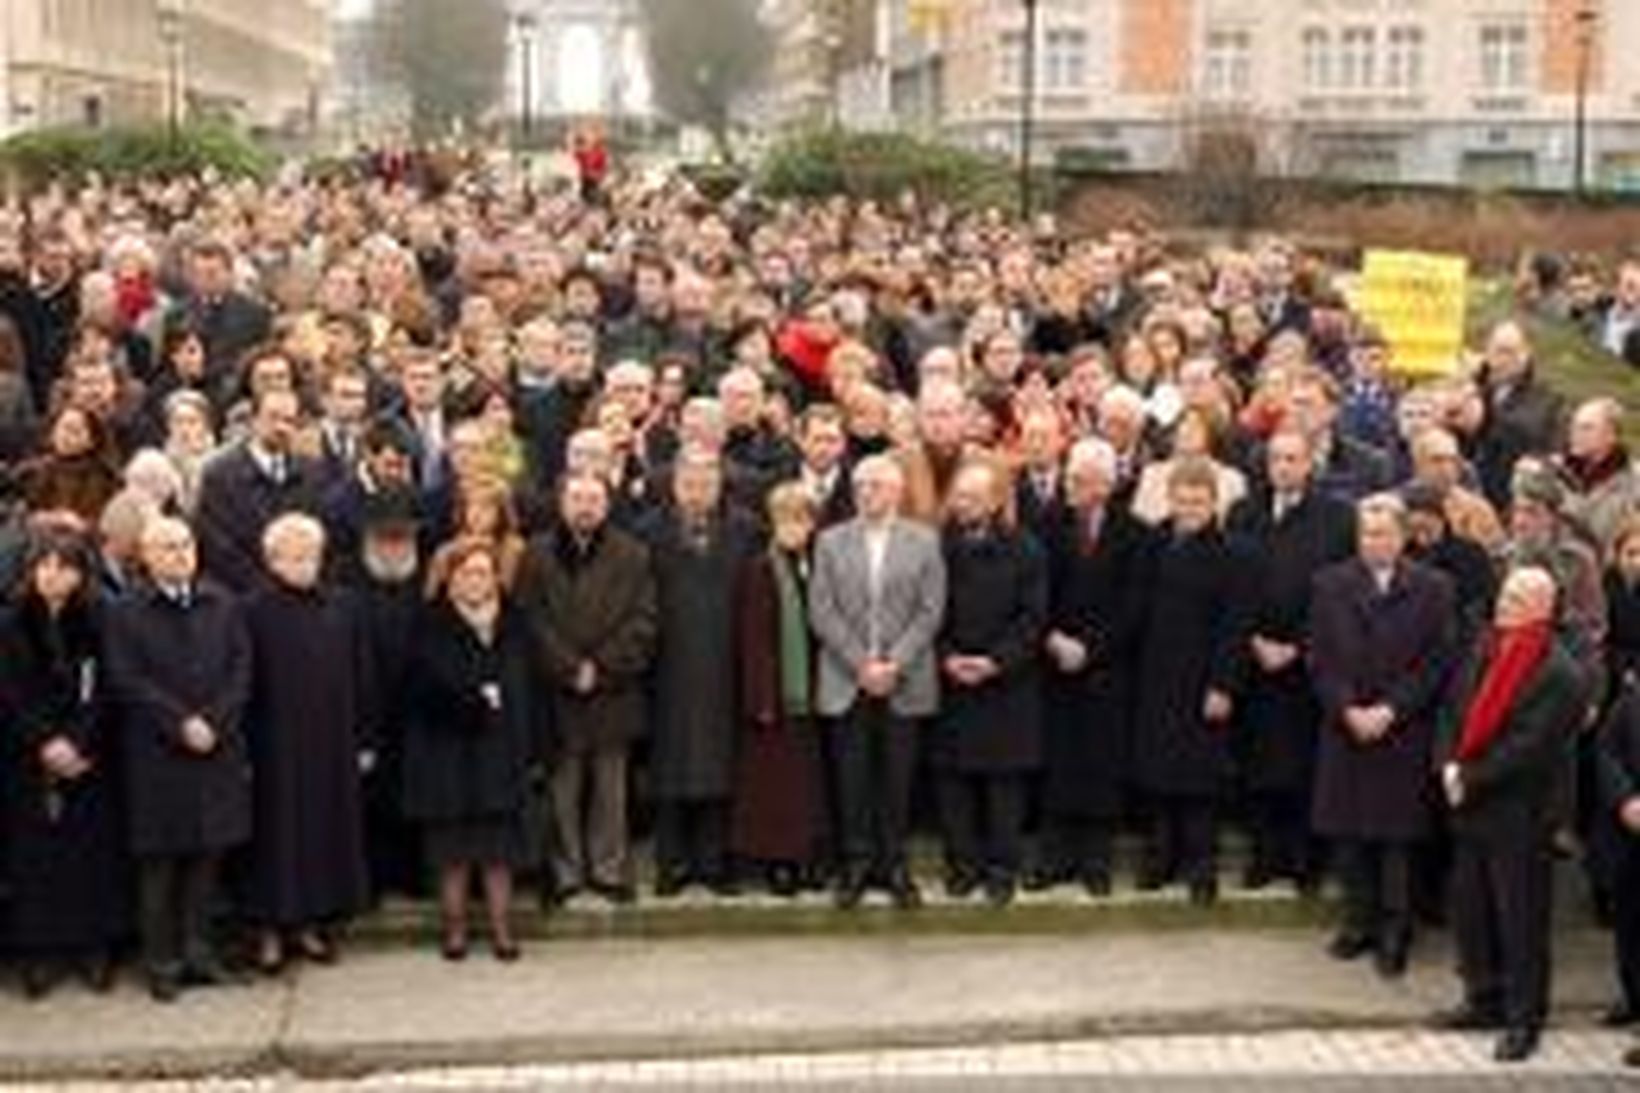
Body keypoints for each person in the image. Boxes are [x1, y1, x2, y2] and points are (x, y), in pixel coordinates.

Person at [1433, 567, 1584, 1063]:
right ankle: (1483, 998)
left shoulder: (1559, 671)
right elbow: (1453, 710)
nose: (1505, 604)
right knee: (1471, 910)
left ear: (1544, 607)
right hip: (1473, 803)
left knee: (1521, 919)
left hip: (1522, 811)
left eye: (1518, 599)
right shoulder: (1486, 645)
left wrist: (1467, 777)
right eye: (1505, 593)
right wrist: (1448, 764)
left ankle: (1524, 1019)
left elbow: (1530, 747)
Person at [104, 517, 253, 1002]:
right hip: (158, 755)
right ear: (146, 556)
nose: (180, 553)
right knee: (161, 866)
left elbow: (241, 668)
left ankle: (200, 954)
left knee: (208, 859)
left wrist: (214, 720)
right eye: (167, 547)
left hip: (216, 749)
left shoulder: (222, 602)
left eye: (186, 544)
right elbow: (127, 680)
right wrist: (181, 722)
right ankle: (161, 962)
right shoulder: (126, 610)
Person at [1310, 493, 1457, 979]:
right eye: (1366, 533)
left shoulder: (1434, 587)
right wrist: (1348, 708)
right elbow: (1320, 658)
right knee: (1352, 837)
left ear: (1402, 535)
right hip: (1347, 727)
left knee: (1397, 842)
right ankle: (1358, 925)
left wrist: (1392, 709)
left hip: (1402, 731)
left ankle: (1396, 931)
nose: (1373, 542)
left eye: (1382, 533)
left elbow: (1438, 662)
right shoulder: (1330, 584)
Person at [809, 454, 946, 909]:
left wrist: (893, 664)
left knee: (897, 779)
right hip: (847, 681)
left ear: (898, 490)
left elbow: (931, 611)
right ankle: (856, 865)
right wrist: (861, 665)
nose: (869, 492)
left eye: (879, 485)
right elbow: (821, 611)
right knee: (851, 779)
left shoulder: (925, 541)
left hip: (903, 683)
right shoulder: (829, 541)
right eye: (862, 485)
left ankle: (895, 865)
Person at [1226, 429, 1356, 892]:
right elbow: (1233, 587)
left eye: (1293, 459)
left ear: (1310, 464)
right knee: (1259, 764)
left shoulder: (1338, 518)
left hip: (1308, 662)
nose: (1283, 467)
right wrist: (1254, 640)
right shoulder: (1244, 513)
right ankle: (1265, 856)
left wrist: (1297, 645)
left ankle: (1306, 863)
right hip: (1255, 658)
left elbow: (1340, 591)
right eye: (1276, 459)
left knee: (1304, 765)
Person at [518, 472, 657, 905]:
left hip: (613, 687)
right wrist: (568, 667)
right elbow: (529, 619)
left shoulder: (633, 554)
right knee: (563, 786)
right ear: (561, 503)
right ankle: (566, 871)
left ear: (608, 504)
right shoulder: (537, 554)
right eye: (576, 498)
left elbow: (645, 622)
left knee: (611, 788)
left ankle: (610, 869)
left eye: (594, 499)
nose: (585, 506)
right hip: (558, 688)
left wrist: (600, 667)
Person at [0, 530, 127, 998]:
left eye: (65, 566)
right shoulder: (10, 623)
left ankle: (94, 948)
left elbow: (108, 689)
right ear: (31, 570)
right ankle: (39, 951)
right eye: (46, 565)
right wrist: (44, 743)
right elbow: (10, 695)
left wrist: (78, 742)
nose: (54, 575)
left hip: (89, 758)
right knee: (37, 860)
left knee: (91, 855)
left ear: (81, 572)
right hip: (27, 758)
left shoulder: (100, 618)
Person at [242, 514, 370, 972]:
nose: (304, 563)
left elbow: (362, 675)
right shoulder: (251, 609)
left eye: (311, 554)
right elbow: (243, 682)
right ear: (272, 559)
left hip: (331, 743)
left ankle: (310, 926)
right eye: (293, 555)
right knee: (275, 840)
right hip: (272, 745)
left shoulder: (343, 606)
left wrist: (365, 739)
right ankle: (269, 933)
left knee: (320, 835)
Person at [402, 538, 537, 962]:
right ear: (450, 579)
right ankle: (455, 931)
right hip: (446, 755)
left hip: (501, 753)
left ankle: (502, 931)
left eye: (483, 572)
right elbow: (419, 689)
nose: (475, 580)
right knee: (452, 853)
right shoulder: (428, 623)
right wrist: (475, 703)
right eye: (466, 573)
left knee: (499, 851)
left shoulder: (516, 622)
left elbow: (531, 688)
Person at [641, 449, 760, 896]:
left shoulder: (746, 529)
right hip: (668, 665)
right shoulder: (648, 530)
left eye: (705, 484)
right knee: (669, 767)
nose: (696, 493)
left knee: (721, 766)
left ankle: (714, 862)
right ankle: (671, 863)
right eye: (688, 484)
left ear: (719, 486)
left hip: (725, 663)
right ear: (674, 486)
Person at [1129, 457, 1247, 905]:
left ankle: (1202, 868)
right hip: (1156, 679)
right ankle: (1160, 861)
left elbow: (1236, 625)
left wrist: (1223, 684)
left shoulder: (1234, 552)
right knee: (1158, 777)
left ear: (1214, 502)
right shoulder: (1153, 542)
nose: (1189, 509)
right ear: (1170, 499)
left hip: (1205, 681)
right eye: (1181, 501)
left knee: (1201, 782)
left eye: (1198, 502)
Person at [1030, 437, 1144, 895]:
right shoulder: (1046, 524)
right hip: (1054, 663)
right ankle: (1054, 858)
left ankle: (1096, 862)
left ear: (1106, 484)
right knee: (1059, 763)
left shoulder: (1135, 532)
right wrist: (1053, 638)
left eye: (1081, 479)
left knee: (1101, 764)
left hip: (1108, 668)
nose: (1071, 485)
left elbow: (1135, 607)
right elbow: (1033, 592)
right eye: (1070, 476)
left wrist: (1090, 649)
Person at [934, 460, 1048, 905]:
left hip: (1007, 685)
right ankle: (962, 868)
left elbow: (1033, 617)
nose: (964, 506)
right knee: (954, 783)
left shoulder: (1027, 549)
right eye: (959, 497)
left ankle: (1003, 870)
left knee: (1004, 786)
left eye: (974, 498)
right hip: (952, 679)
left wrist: (995, 661)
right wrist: (946, 657)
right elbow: (926, 608)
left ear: (997, 501)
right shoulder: (938, 547)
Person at [730, 482, 827, 895]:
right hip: (776, 695)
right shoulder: (760, 568)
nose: (794, 527)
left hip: (816, 691)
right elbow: (754, 640)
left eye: (802, 518)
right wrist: (763, 699)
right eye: (786, 519)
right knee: (774, 787)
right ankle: (778, 863)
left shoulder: (820, 562)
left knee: (809, 784)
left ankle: (807, 857)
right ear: (774, 523)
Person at [194, 387, 323, 593]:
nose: (281, 427)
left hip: (299, 593)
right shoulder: (220, 475)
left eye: (289, 421)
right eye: (273, 418)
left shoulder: (311, 472)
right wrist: (265, 588)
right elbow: (218, 545)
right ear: (254, 420)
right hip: (241, 596)